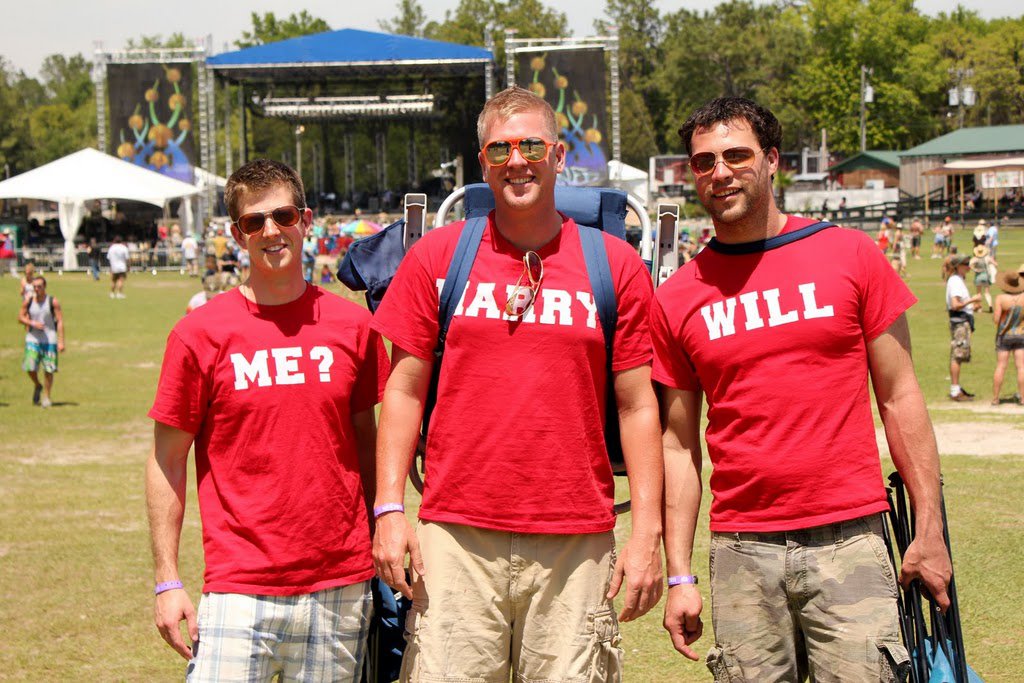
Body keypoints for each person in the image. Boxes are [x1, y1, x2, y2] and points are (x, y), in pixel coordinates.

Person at [370, 86, 663, 682]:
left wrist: (647, 533)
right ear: (483, 163)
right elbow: (402, 391)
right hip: (456, 536)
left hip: (575, 542)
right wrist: (389, 509)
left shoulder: (615, 265)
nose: (517, 161)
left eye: (531, 146)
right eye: (500, 150)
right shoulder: (437, 257)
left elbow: (638, 407)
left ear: (558, 156)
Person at [654, 97, 952, 680]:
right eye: (704, 161)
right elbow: (678, 446)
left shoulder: (851, 255)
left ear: (772, 160)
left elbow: (900, 398)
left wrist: (930, 529)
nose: (720, 172)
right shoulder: (677, 296)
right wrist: (679, 575)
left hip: (851, 539)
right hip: (741, 549)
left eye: (737, 156)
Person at [146, 158, 388, 681]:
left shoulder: (355, 327)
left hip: (339, 583)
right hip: (238, 585)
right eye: (254, 221)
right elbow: (167, 460)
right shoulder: (198, 334)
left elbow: (368, 442)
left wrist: (382, 530)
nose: (271, 231)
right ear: (238, 234)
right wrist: (167, 579)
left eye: (283, 215)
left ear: (306, 220)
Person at [19, 275, 65, 408]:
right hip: (32, 339)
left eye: (39, 286)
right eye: (34, 287)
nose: (36, 289)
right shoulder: (28, 301)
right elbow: (20, 317)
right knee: (29, 367)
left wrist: (61, 341)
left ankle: (47, 396)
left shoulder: (52, 301)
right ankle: (37, 384)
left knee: (49, 370)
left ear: (44, 287)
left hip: (49, 340)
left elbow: (60, 321)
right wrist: (31, 322)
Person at [946, 253, 982, 401]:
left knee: (959, 355)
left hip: (962, 321)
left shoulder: (958, 279)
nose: (968, 266)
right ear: (958, 266)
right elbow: (955, 305)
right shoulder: (955, 281)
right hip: (960, 322)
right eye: (965, 264)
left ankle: (956, 388)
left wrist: (972, 306)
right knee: (957, 356)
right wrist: (972, 300)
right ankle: (955, 390)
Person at [992, 265, 1024, 405]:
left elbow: (996, 319)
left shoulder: (1000, 298)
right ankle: (1023, 398)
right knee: (1021, 367)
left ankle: (995, 398)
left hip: (1004, 336)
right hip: (1021, 335)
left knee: (1001, 366)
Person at [970, 244, 995, 312]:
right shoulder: (987, 258)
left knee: (979, 293)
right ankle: (990, 305)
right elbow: (995, 264)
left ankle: (979, 308)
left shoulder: (975, 259)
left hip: (978, 277)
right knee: (987, 293)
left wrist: (975, 269)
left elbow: (970, 265)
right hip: (986, 276)